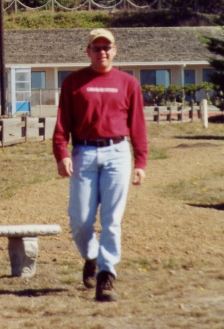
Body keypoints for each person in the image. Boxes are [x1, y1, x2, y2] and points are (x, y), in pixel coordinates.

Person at [52, 28, 148, 302]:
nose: (102, 52)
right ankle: (92, 256)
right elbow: (62, 123)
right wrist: (62, 153)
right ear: (88, 51)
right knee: (80, 221)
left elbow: (138, 125)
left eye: (107, 48)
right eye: (97, 48)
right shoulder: (73, 82)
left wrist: (140, 160)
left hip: (117, 153)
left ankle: (107, 275)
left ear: (115, 51)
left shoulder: (128, 83)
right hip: (84, 152)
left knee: (111, 220)